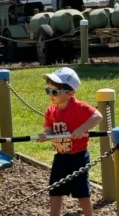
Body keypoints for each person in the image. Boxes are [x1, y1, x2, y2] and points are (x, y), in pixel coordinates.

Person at [37, 67, 103, 216]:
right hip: (61, 156)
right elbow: (49, 128)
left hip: (78, 156)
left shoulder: (78, 107)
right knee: (55, 189)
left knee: (82, 192)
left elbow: (97, 116)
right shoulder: (51, 110)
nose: (51, 95)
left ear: (70, 93)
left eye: (54, 92)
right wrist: (46, 135)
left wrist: (82, 129)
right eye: (48, 91)